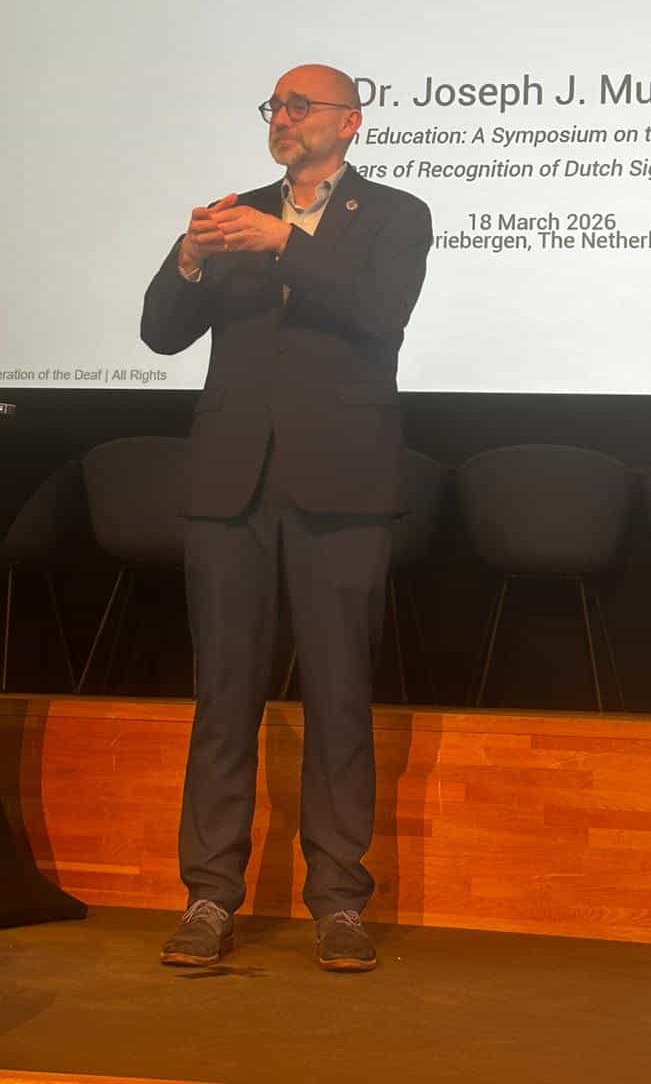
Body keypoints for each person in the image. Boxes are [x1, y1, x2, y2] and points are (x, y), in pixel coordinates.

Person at [140, 64, 432, 973]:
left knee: (339, 696)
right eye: (274, 106)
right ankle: (208, 897)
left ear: (351, 121)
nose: (283, 119)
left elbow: (380, 317)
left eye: (301, 106)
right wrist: (190, 258)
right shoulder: (236, 216)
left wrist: (282, 246)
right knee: (223, 695)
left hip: (340, 486)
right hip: (231, 485)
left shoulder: (394, 214)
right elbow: (160, 331)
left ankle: (339, 903)